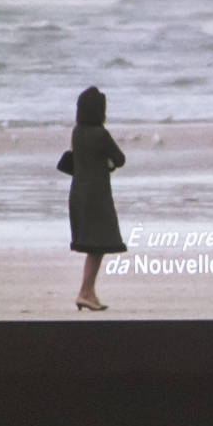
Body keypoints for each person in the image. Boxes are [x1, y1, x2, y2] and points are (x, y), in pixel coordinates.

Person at [66, 85, 126, 311]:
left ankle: (89, 292)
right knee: (99, 245)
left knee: (94, 246)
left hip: (78, 194)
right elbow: (119, 159)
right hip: (97, 196)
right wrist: (108, 163)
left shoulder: (77, 131)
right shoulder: (101, 134)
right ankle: (85, 292)